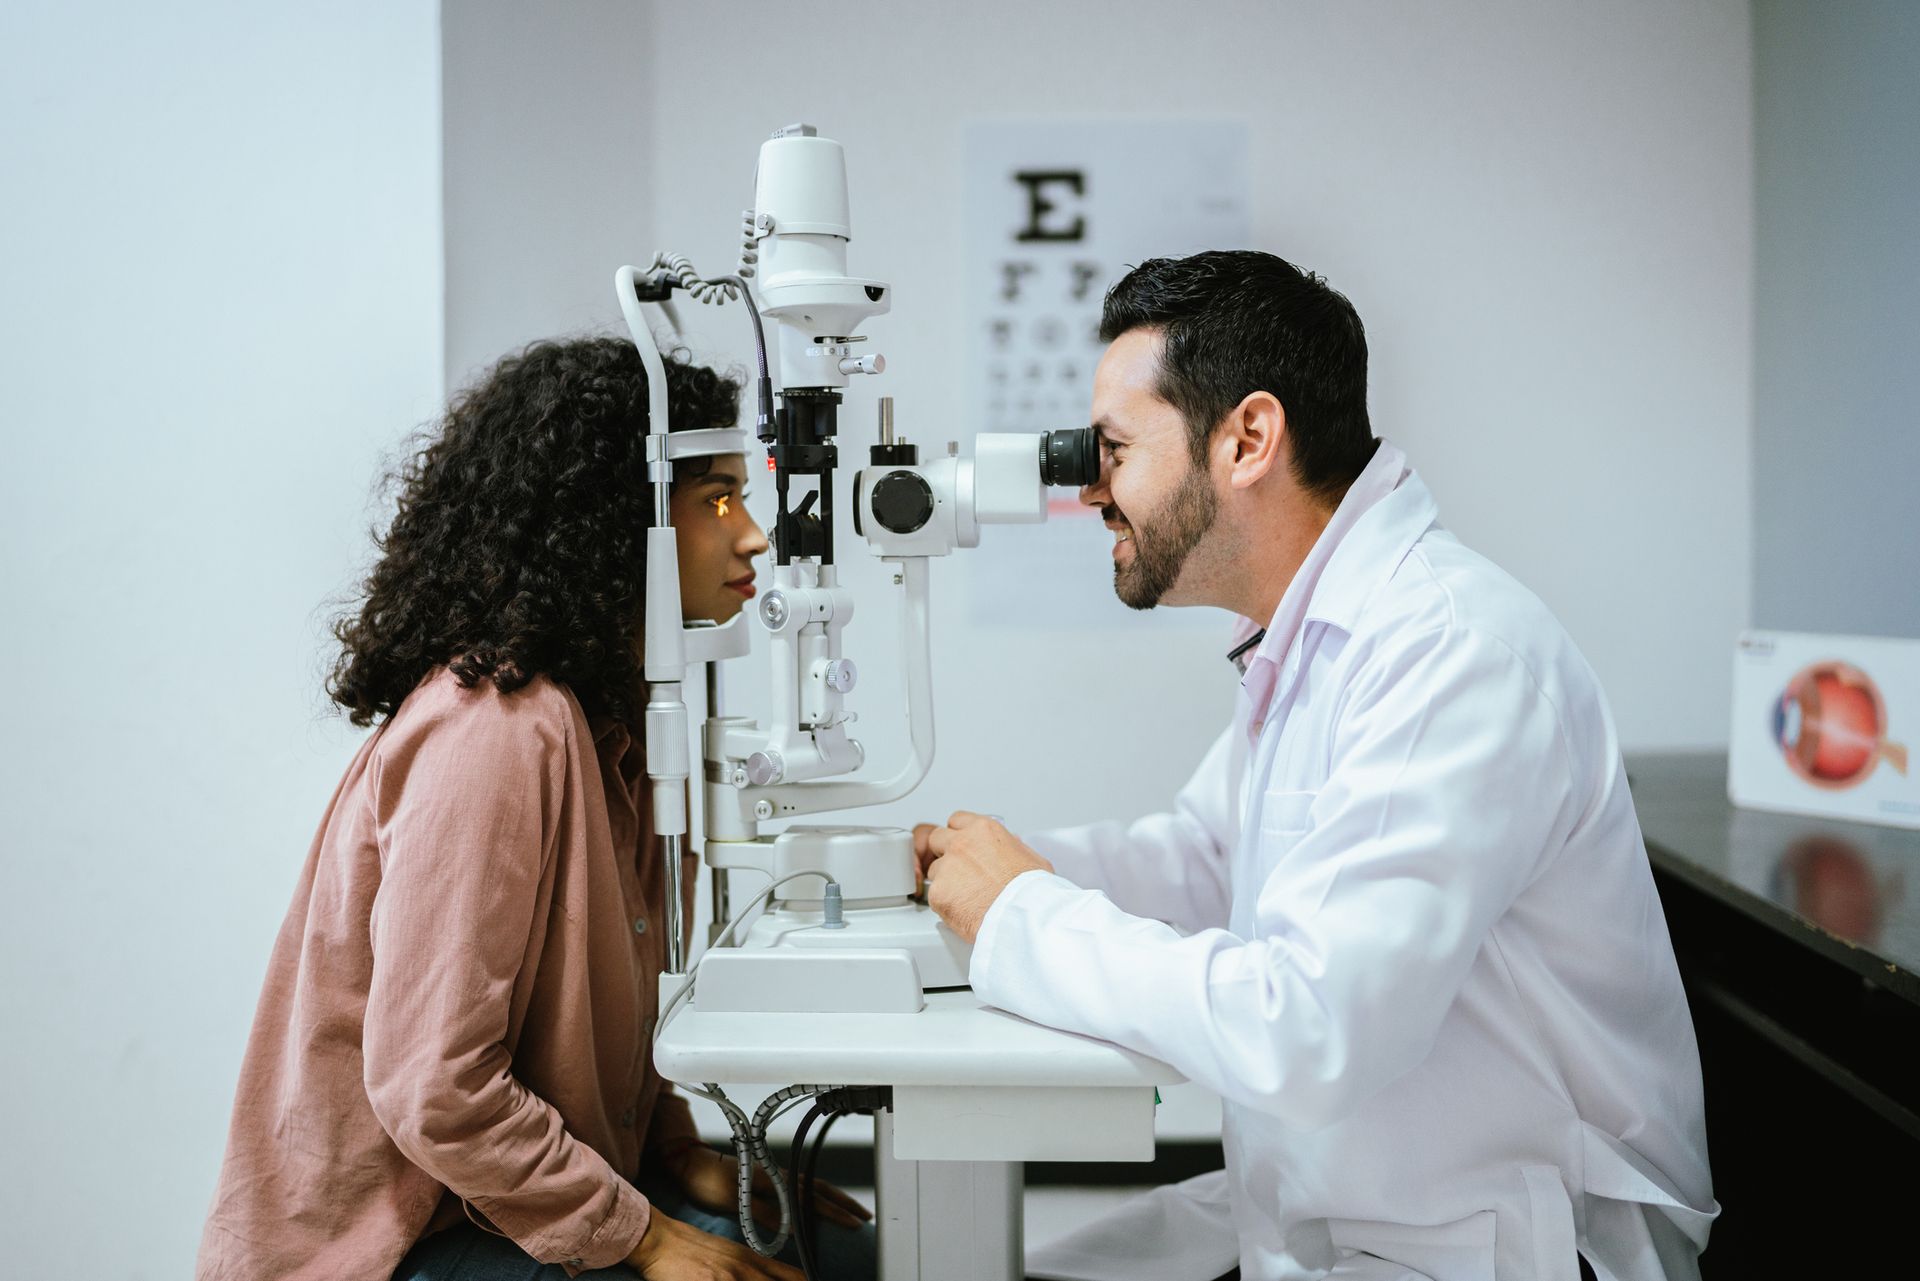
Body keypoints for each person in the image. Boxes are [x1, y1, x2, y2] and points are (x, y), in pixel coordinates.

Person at [918, 252, 1718, 1281]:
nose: (1089, 489)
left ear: (1248, 438)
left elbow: (1311, 1031)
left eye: (1112, 449)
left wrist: (1021, 912)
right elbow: (1209, 860)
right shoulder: (1320, 636)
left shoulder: (1447, 651)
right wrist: (985, 878)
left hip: (1502, 1244)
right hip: (1356, 1204)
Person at [197, 337, 875, 1281]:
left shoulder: (614, 726)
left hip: (507, 1195)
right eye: (717, 500)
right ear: (616, 519)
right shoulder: (500, 729)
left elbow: (573, 1035)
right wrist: (644, 1234)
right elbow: (436, 1086)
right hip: (407, 1240)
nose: (754, 534)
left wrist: (677, 1152)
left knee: (843, 1245)